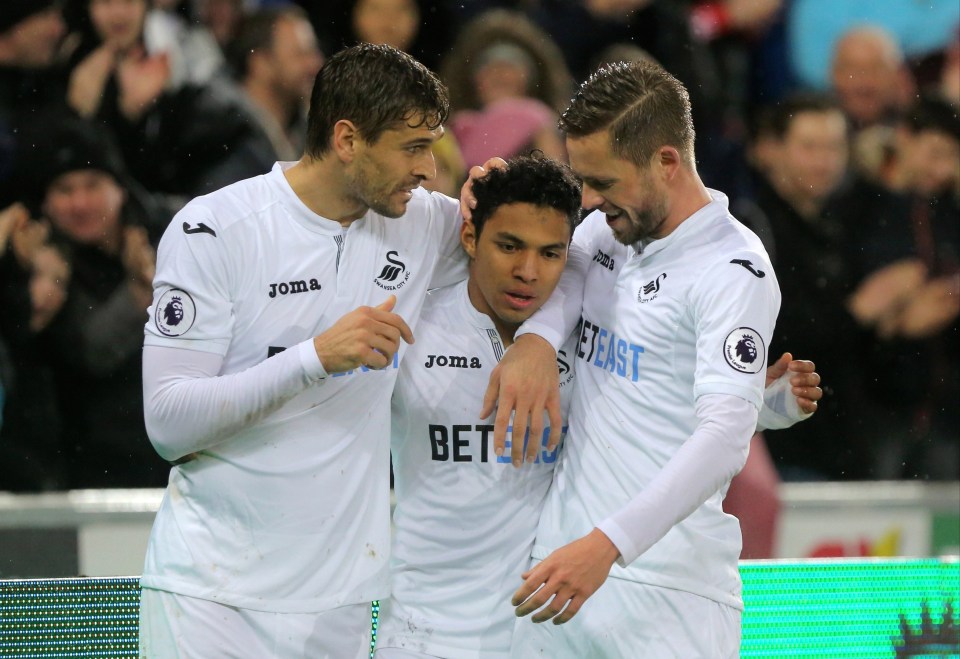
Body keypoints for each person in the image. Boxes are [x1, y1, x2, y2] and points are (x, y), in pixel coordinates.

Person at [379, 154, 819, 658]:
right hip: (423, 631)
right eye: (508, 246)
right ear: (470, 238)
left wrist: (767, 405)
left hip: (547, 629)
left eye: (550, 254)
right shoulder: (411, 329)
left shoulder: (582, 335)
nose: (527, 272)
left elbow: (656, 410)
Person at [137, 43, 465, 657]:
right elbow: (168, 422)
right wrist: (314, 357)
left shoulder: (424, 222)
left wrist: (537, 344)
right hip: (211, 598)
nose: (430, 169)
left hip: (337, 605)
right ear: (347, 139)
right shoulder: (215, 229)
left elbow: (553, 256)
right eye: (412, 147)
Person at [474, 60, 781, 657]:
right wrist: (535, 341)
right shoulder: (607, 231)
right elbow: (568, 277)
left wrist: (608, 544)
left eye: (603, 182)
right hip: (558, 581)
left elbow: (724, 436)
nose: (588, 199)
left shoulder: (733, 269)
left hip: (667, 593)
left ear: (667, 161)